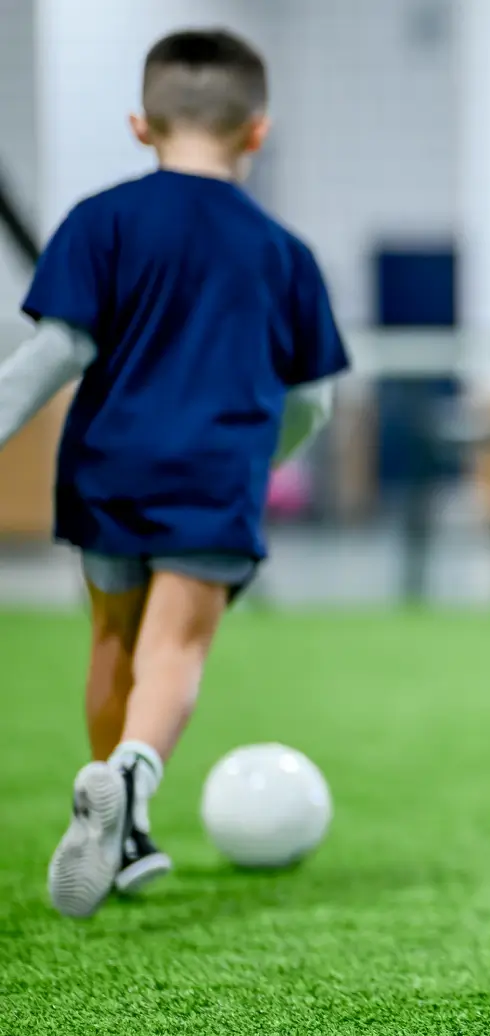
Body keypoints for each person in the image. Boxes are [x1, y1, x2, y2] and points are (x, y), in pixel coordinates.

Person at [0, 29, 347, 918]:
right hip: (212, 477)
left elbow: (57, 351)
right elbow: (313, 404)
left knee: (111, 640)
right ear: (257, 131)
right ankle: (132, 778)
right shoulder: (283, 252)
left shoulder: (102, 220)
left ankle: (120, 833)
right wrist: (257, 461)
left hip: (107, 467)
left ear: (139, 124)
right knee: (176, 649)